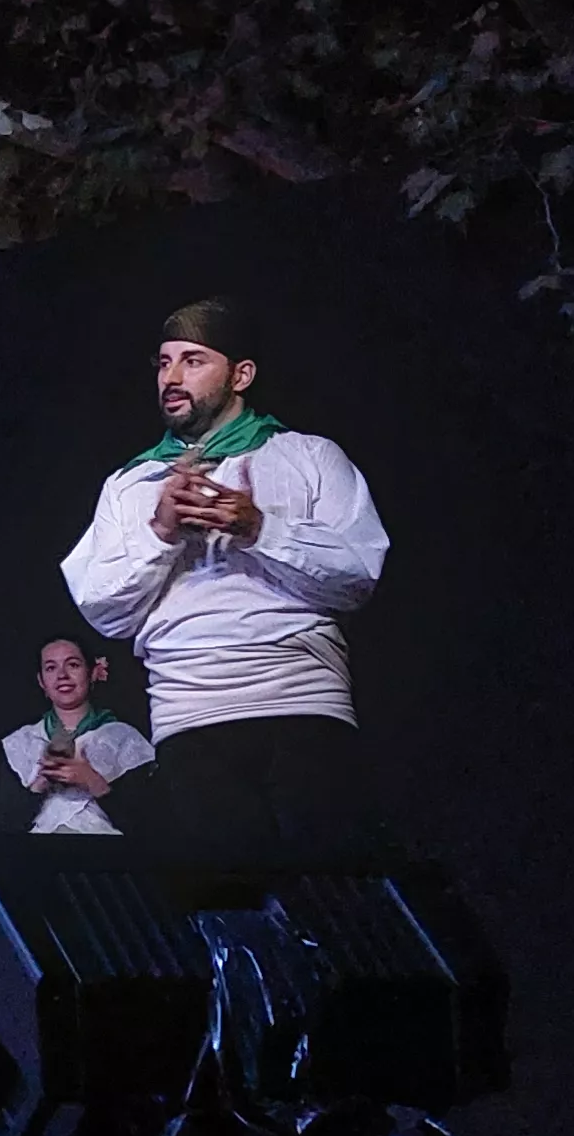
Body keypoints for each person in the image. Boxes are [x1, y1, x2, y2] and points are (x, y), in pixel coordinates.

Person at [61, 297, 390, 861]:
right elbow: (102, 609)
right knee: (231, 899)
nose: (171, 377)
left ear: (241, 375)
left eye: (193, 360)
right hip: (190, 710)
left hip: (301, 699)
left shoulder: (307, 456)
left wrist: (259, 527)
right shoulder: (131, 483)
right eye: (164, 363)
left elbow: (357, 576)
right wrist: (161, 532)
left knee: (336, 887)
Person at [1, 635, 156, 838]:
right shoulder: (22, 743)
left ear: (92, 673)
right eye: (50, 668)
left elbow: (147, 826)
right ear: (41, 681)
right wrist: (40, 782)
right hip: (38, 855)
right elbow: (4, 830)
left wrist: (92, 781)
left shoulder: (123, 739)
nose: (62, 675)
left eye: (73, 665)